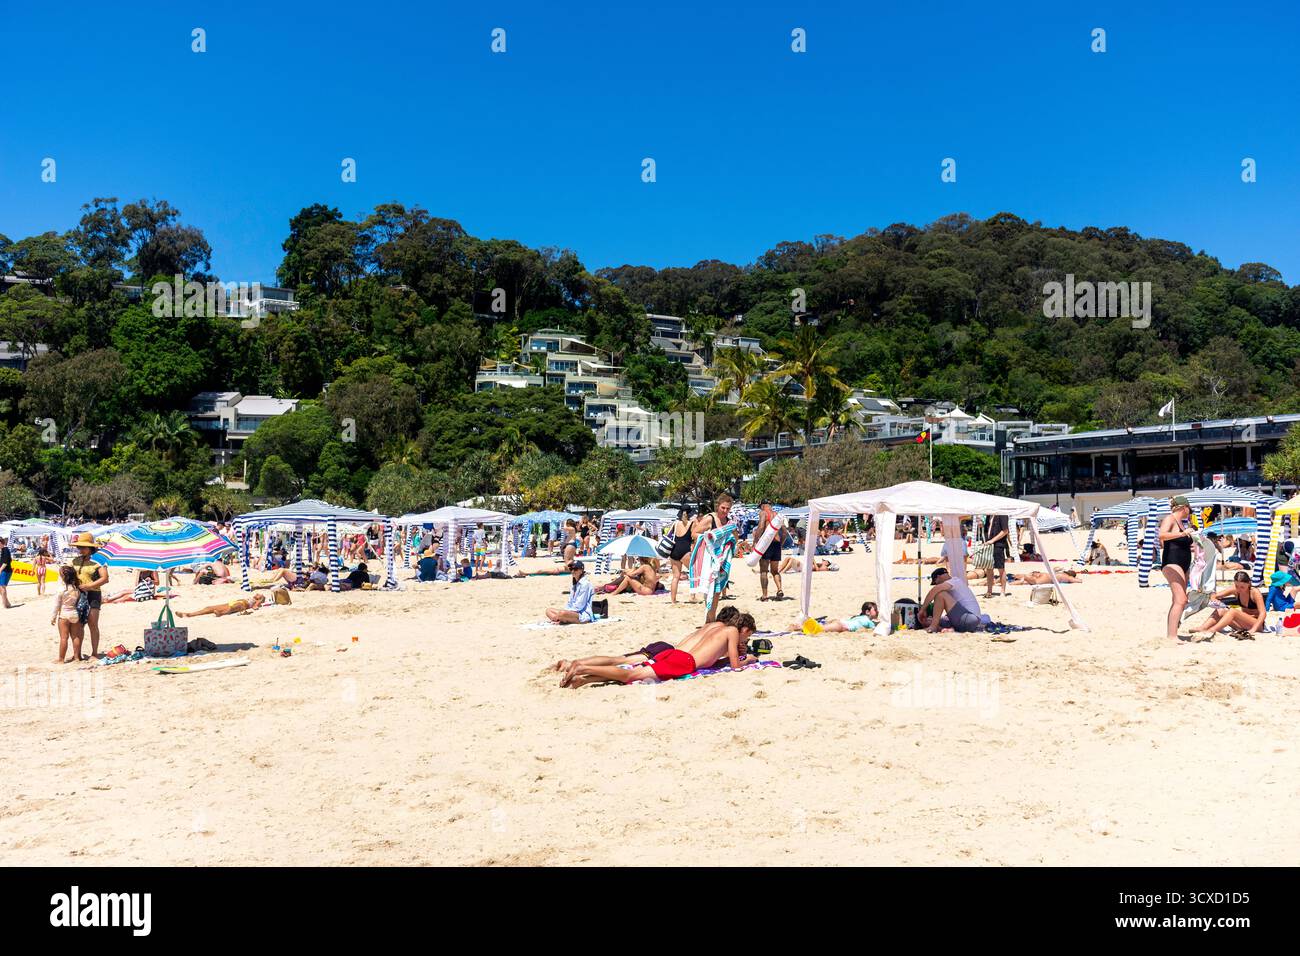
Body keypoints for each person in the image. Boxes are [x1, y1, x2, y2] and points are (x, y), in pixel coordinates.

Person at [554, 606, 747, 686]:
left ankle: (584, 677)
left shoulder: (710, 626)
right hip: (683, 661)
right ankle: (582, 666)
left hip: (672, 652)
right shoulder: (730, 631)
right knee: (631, 673)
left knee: (628, 668)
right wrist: (749, 658)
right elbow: (734, 666)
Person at [691, 493, 735, 623]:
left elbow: (733, 538)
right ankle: (710, 621)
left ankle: (710, 620)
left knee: (717, 591)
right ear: (717, 506)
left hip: (722, 560)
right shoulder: (710, 519)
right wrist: (710, 538)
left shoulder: (728, 522)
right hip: (710, 560)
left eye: (728, 509)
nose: (725, 511)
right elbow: (695, 533)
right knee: (710, 589)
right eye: (723, 508)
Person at [1158, 495, 1194, 642]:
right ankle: (1172, 636)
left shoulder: (1181, 522)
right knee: (1181, 599)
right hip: (1172, 562)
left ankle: (1174, 631)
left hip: (1183, 563)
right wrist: (1183, 534)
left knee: (1178, 600)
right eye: (1189, 508)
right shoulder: (1170, 519)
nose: (1190, 511)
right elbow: (1161, 535)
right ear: (1184, 507)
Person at [1191, 571, 1266, 639]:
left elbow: (1263, 613)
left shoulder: (1254, 592)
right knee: (1221, 610)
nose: (1239, 589)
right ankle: (1203, 627)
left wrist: (1253, 630)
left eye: (1242, 587)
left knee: (1233, 611)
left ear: (1249, 583)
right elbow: (1214, 596)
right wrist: (1216, 602)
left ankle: (1212, 630)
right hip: (1241, 624)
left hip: (1256, 624)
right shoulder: (1235, 590)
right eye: (1237, 586)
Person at [69, 532, 108, 657]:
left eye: (83, 547)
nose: (80, 549)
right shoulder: (75, 560)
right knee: (78, 625)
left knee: (92, 624)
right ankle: (77, 655)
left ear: (90, 547)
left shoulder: (98, 561)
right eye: (79, 547)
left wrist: (88, 586)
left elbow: (105, 578)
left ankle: (95, 653)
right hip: (77, 595)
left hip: (94, 594)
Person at [918, 567, 983, 633]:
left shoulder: (954, 581)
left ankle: (933, 627)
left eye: (936, 582)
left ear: (938, 577)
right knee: (930, 620)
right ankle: (941, 628)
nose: (937, 584)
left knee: (940, 594)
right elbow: (955, 609)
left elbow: (934, 590)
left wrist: (922, 609)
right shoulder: (954, 585)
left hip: (970, 618)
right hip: (969, 620)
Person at [50, 565, 85, 663]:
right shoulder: (76, 589)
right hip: (74, 614)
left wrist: (53, 618)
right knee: (75, 637)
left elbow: (56, 605)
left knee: (64, 638)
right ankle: (77, 657)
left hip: (64, 615)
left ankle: (61, 659)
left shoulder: (61, 589)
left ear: (63, 577)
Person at [753, 501, 784, 602]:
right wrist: (780, 544)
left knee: (763, 571)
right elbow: (784, 532)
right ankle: (779, 589)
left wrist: (756, 542)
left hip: (766, 544)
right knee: (775, 570)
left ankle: (765, 595)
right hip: (776, 544)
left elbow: (761, 526)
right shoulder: (777, 515)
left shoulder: (763, 513)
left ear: (762, 506)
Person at [667, 508, 694, 604]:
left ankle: (673, 600)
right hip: (685, 550)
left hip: (674, 550)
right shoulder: (692, 523)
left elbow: (667, 534)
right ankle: (692, 597)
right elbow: (694, 537)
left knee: (675, 577)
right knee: (693, 573)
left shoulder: (675, 523)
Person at [983, 513, 1010, 598]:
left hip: (998, 544)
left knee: (1000, 568)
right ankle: (989, 590)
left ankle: (1002, 591)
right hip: (989, 544)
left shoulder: (1002, 514)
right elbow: (988, 530)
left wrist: (992, 540)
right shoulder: (989, 515)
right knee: (989, 568)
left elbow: (1005, 531)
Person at [812, 601, 880, 633]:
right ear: (867, 612)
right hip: (842, 626)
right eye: (875, 610)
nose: (877, 612)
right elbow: (876, 630)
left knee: (818, 627)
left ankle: (806, 625)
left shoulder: (858, 617)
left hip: (840, 622)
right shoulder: (869, 622)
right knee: (816, 629)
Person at [179, 593, 267, 618]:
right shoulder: (252, 597)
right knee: (209, 608)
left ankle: (221, 613)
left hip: (242, 605)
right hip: (231, 602)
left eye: (259, 595)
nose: (257, 594)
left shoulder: (257, 601)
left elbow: (255, 607)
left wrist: (260, 601)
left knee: (234, 606)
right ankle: (189, 614)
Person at [0, 536, 13, 609]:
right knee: (1, 588)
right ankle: (7, 603)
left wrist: (0, 570)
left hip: (6, 571)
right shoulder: (3, 550)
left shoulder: (5, 550)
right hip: (4, 570)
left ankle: (5, 604)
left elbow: (5, 562)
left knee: (2, 587)